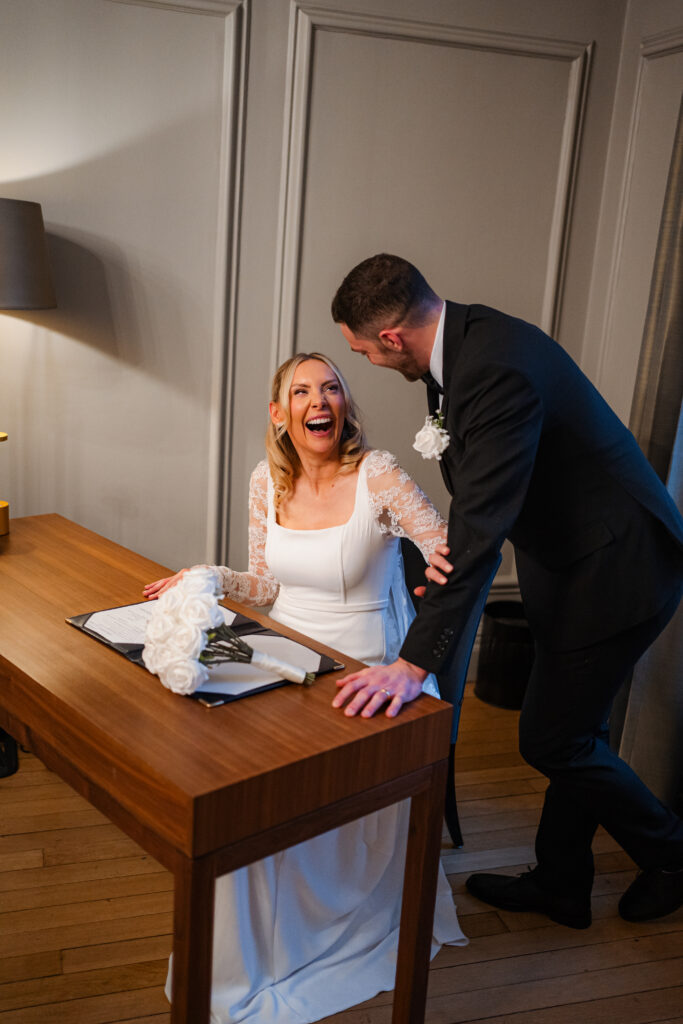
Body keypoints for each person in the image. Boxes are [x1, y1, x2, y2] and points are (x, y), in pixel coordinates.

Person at [330, 253, 683, 930]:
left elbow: (482, 525)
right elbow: (480, 509)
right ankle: (562, 882)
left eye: (361, 352)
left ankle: (669, 852)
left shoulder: (492, 367)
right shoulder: (462, 344)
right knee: (580, 731)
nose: (367, 364)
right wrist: (449, 552)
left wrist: (413, 663)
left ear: (392, 338)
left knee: (552, 741)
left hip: (620, 570)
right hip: (570, 561)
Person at [144, 351, 466, 1023]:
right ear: (279, 412)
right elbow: (266, 587)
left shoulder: (375, 474)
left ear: (343, 407)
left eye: (331, 388)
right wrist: (210, 575)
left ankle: (328, 928)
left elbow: (447, 552)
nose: (318, 400)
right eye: (302, 391)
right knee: (235, 789)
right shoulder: (267, 480)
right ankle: (250, 952)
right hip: (286, 660)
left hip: (366, 668)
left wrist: (418, 633)